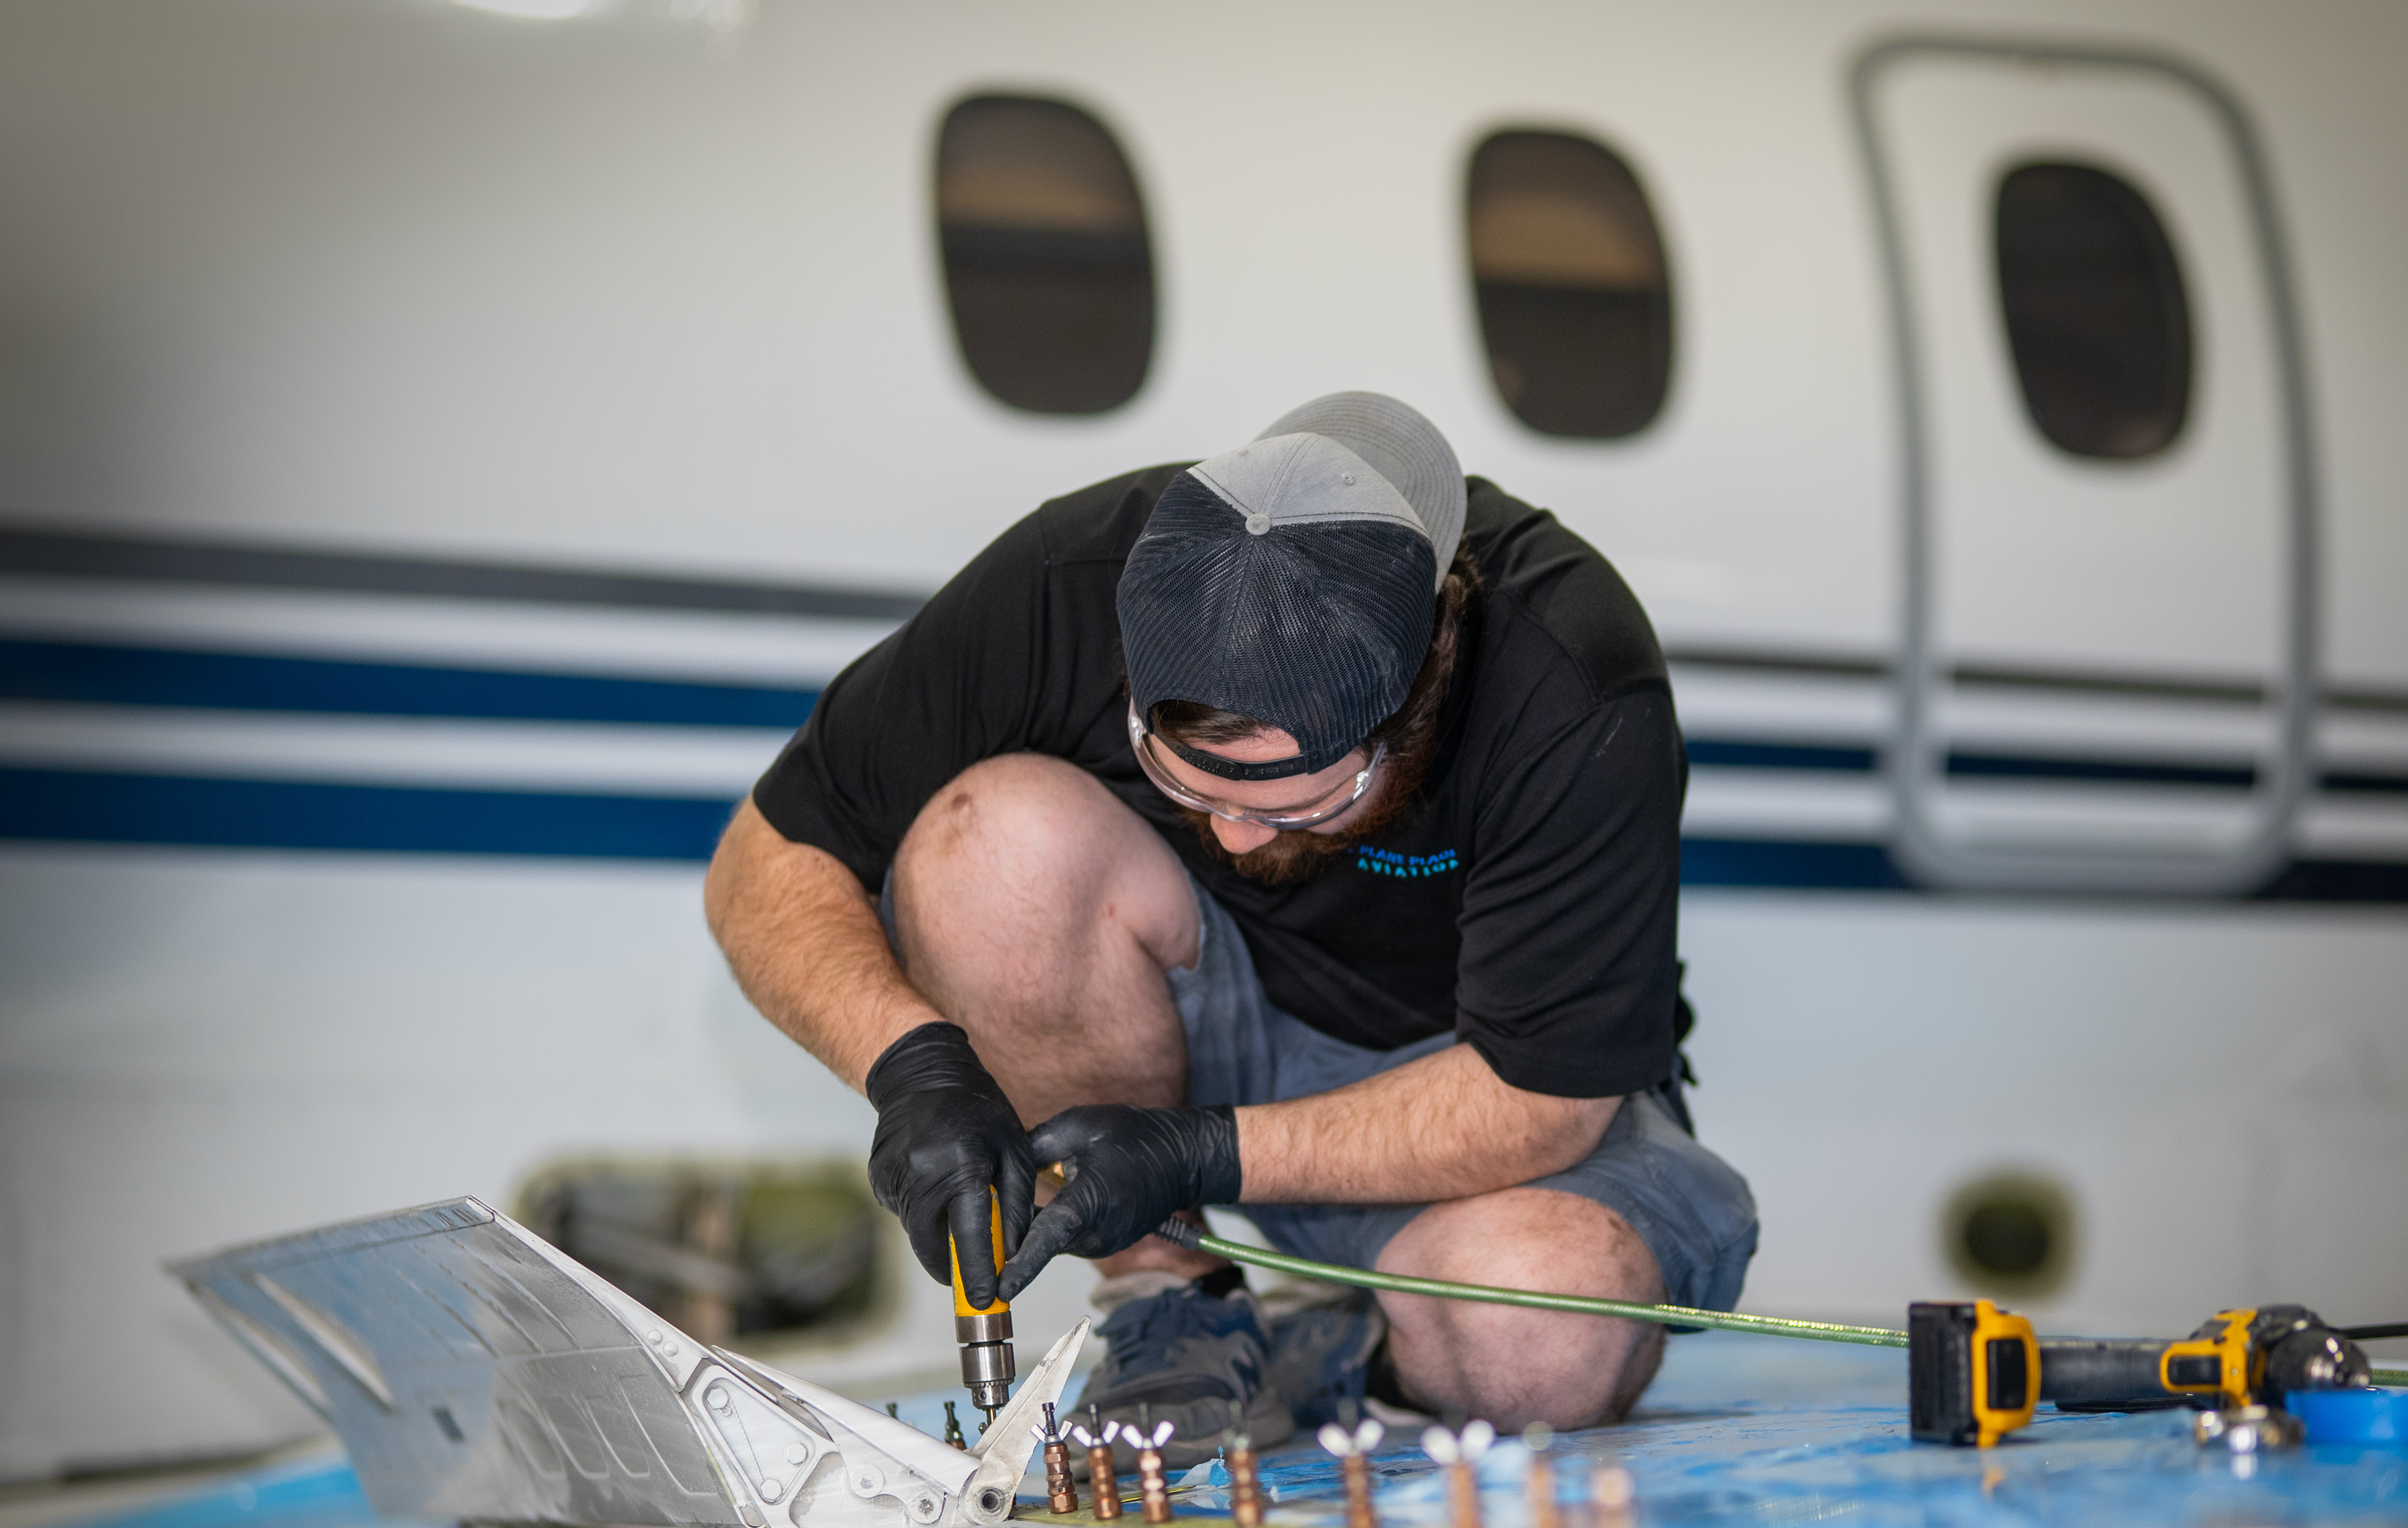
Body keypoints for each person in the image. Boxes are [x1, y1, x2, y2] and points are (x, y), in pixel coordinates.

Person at [705, 393, 1756, 1462]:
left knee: (1538, 1344)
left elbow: (1541, 1099)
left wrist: (1200, 1153)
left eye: (1298, 807)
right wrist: (909, 1065)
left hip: (1480, 1081)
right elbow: (764, 860)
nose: (1239, 841)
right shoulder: (1064, 582)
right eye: (1191, 789)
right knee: (988, 845)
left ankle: (1344, 1353)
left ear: (1426, 685)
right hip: (1207, 1010)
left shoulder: (1571, 679)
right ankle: (1179, 1312)